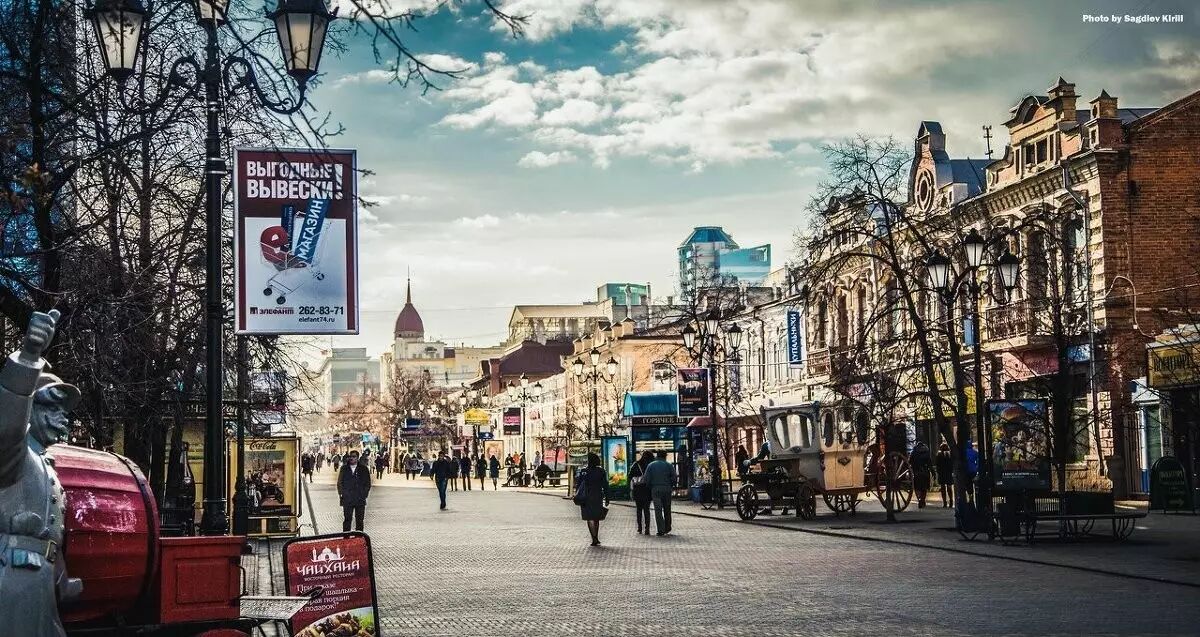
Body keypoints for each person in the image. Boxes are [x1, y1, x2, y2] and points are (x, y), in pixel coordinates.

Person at [576, 452, 610, 546]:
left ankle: (593, 537)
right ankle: (596, 537)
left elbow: (578, 485)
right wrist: (607, 498)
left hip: (586, 497)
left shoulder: (584, 471)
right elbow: (605, 485)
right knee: (596, 517)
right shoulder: (601, 471)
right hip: (597, 496)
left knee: (589, 517)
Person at [337, 450, 372, 532]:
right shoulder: (344, 468)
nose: (352, 458)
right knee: (347, 519)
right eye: (350, 456)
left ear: (357, 458)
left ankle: (359, 538)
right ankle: (346, 538)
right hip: (347, 499)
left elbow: (368, 483)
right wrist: (342, 493)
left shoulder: (363, 469)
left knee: (359, 520)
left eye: (354, 456)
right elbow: (339, 482)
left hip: (360, 499)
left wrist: (364, 494)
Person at [645, 450, 677, 536]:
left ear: (657, 456)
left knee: (658, 510)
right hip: (667, 489)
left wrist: (650, 487)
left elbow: (646, 479)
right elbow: (674, 478)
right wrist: (670, 485)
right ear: (665, 456)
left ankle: (661, 529)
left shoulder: (651, 465)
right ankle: (667, 527)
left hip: (655, 489)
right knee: (667, 509)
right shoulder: (669, 465)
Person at [628, 450, 654, 535]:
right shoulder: (651, 465)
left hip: (637, 489)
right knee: (646, 510)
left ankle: (639, 527)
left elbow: (629, 476)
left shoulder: (636, 464)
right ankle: (647, 528)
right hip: (647, 490)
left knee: (639, 509)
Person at [910, 441, 932, 508]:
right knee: (924, 488)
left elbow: (910, 462)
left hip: (916, 472)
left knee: (917, 487)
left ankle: (919, 499)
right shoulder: (926, 453)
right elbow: (929, 463)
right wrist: (932, 472)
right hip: (925, 472)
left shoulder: (914, 453)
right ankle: (922, 499)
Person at [935, 442, 954, 508]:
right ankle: (951, 501)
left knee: (943, 488)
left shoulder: (939, 455)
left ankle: (944, 502)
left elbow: (937, 465)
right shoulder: (950, 454)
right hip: (948, 473)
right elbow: (952, 464)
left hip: (942, 473)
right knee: (949, 487)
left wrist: (938, 472)